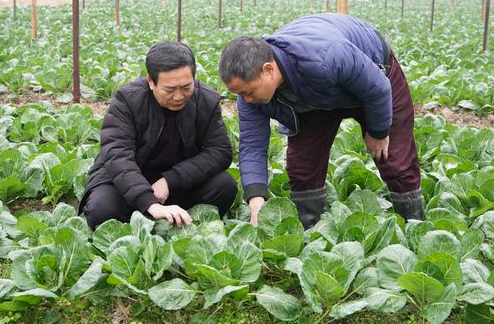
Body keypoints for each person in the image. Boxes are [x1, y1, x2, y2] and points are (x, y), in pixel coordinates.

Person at [218, 13, 424, 229]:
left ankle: (415, 225)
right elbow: (252, 146)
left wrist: (379, 132)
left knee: (394, 158)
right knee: (302, 167)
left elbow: (378, 88)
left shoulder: (324, 57)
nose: (246, 99)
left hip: (372, 76)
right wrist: (256, 198)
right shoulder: (248, 97)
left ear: (268, 70)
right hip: (314, 92)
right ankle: (313, 230)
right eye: (240, 94)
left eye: (249, 92)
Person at [80, 41, 237, 230]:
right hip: (128, 182)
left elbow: (220, 151)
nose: (179, 96)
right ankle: (156, 221)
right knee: (102, 210)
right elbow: (117, 155)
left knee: (225, 186)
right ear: (150, 82)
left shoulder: (206, 100)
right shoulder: (127, 101)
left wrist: (170, 180)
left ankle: (176, 223)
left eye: (186, 87)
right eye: (170, 90)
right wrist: (149, 202)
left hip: (177, 183)